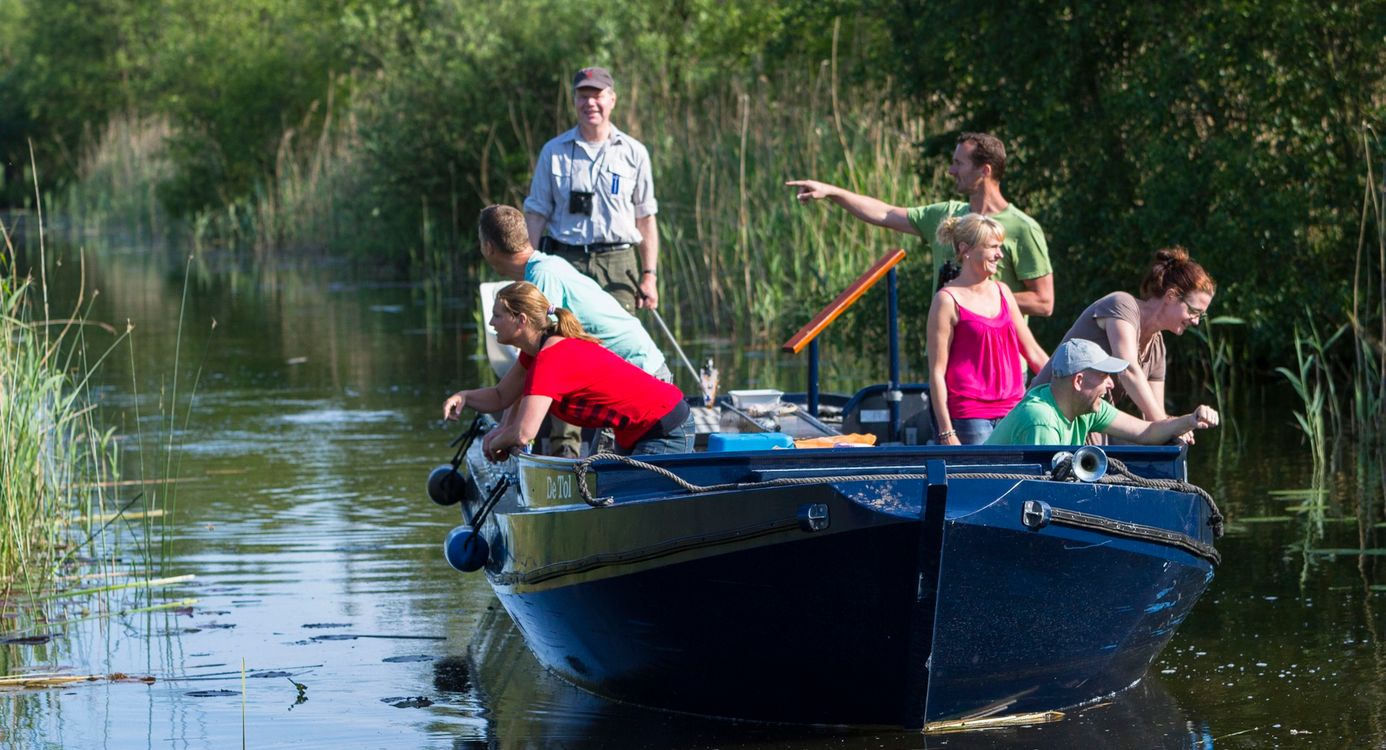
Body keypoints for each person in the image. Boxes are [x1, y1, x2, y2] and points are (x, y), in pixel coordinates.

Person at [787, 132, 1053, 318]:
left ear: (985, 171)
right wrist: (832, 192)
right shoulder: (946, 214)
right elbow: (885, 213)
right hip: (945, 360)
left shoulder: (1022, 228)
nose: (951, 171)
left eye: (958, 164)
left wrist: (976, 295)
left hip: (999, 366)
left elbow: (1043, 302)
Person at [442, 282, 692, 459]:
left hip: (663, 425)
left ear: (521, 320)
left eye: (497, 316)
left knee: (634, 508)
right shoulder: (536, 351)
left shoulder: (550, 358)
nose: (491, 322)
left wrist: (494, 442)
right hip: (635, 431)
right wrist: (465, 397)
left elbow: (524, 433)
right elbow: (500, 396)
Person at [1030, 247, 1215, 433]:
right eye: (1194, 311)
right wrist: (1167, 426)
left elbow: (1155, 416)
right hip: (1042, 420)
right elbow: (1128, 369)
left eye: (1201, 316)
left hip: (1081, 427)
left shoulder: (1158, 348)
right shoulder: (1122, 305)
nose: (1196, 321)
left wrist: (1184, 425)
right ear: (1171, 296)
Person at [524, 66, 660, 314]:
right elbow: (536, 213)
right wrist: (528, 269)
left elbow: (645, 217)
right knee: (564, 333)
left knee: (618, 337)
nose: (590, 103)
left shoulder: (634, 152)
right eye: (583, 96)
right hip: (565, 262)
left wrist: (649, 276)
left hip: (618, 264)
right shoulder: (553, 151)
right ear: (574, 100)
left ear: (612, 100)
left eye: (597, 96)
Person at [927, 214, 1048, 445]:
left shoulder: (1003, 292)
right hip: (970, 417)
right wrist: (946, 432)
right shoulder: (946, 300)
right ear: (966, 249)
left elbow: (1033, 352)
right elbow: (936, 372)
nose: (1000, 254)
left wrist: (1069, 383)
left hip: (1014, 410)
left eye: (1000, 247)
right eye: (993, 247)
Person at [984, 338, 1220, 446]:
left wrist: (1190, 419)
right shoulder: (1041, 418)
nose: (1111, 384)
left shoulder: (1085, 407)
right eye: (1104, 375)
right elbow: (1042, 493)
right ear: (1078, 381)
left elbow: (1146, 432)